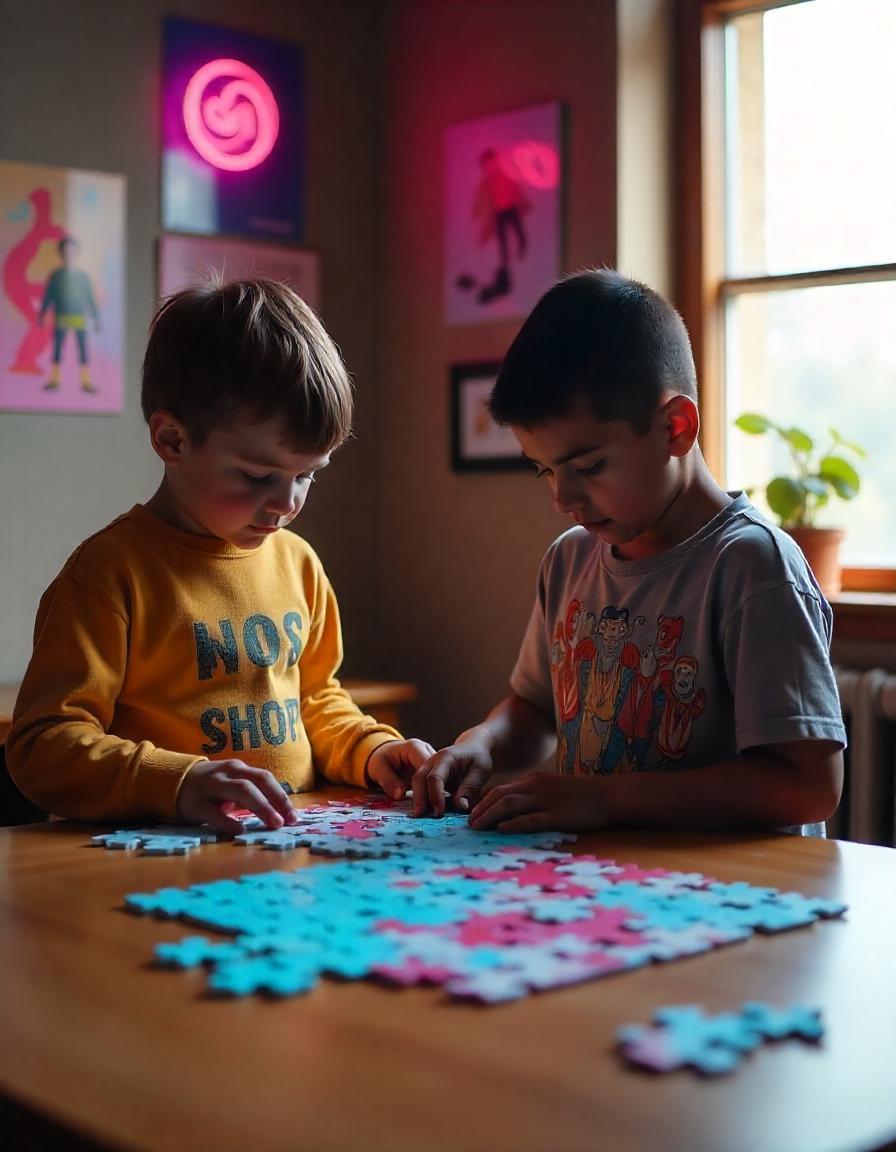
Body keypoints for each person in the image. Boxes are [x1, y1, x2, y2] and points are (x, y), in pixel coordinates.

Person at [413, 269, 845, 835]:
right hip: (612, 895)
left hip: (738, 896)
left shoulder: (751, 566)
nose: (562, 498)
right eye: (544, 470)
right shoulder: (570, 560)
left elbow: (809, 785)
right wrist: (484, 744)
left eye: (588, 467)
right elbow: (536, 709)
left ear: (675, 428)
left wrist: (603, 800)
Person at [7, 277, 433, 833]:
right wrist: (177, 782)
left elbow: (315, 699)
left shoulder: (298, 564)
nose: (288, 502)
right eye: (258, 476)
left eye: (306, 475)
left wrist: (370, 748)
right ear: (173, 441)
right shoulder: (109, 575)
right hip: (146, 865)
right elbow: (43, 747)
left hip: (286, 856)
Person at [36, 235, 101, 393]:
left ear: (76, 253)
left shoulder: (83, 277)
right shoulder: (56, 276)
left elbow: (90, 298)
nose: (69, 254)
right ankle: (55, 380)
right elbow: (48, 296)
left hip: (79, 317)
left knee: (82, 348)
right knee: (57, 347)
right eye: (66, 251)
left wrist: (95, 318)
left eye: (72, 251)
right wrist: (43, 313)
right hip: (61, 317)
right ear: (61, 253)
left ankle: (85, 382)